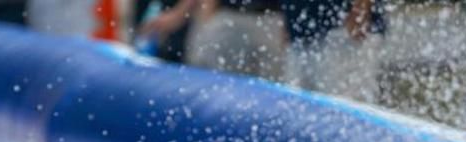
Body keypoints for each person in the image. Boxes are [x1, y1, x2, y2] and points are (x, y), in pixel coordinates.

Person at [136, 0, 286, 80]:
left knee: (268, 85)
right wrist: (180, 15)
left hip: (270, 20)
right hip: (229, 17)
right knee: (210, 81)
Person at [279, 0, 383, 101]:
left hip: (341, 31)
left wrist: (360, 11)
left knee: (340, 105)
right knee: (295, 104)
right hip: (300, 33)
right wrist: (288, 23)